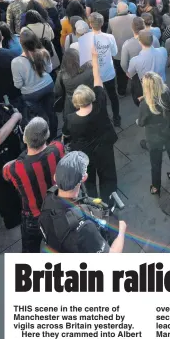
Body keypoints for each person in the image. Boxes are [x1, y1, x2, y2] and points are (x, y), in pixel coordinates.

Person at [38, 150, 126, 253]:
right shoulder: (85, 227)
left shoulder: (49, 197)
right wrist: (122, 230)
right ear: (84, 177)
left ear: (55, 177)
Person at [62, 46, 118, 203]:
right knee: (108, 177)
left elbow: (66, 135)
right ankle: (109, 202)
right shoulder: (99, 102)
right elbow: (97, 77)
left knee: (90, 181)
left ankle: (94, 205)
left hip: (86, 154)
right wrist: (94, 58)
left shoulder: (71, 119)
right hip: (104, 148)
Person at [2, 117, 65, 252]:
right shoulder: (57, 149)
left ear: (25, 139)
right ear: (47, 135)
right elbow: (55, 145)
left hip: (33, 217)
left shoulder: (15, 168)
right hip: (57, 209)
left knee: (30, 251)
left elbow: (5, 172)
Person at [137, 71, 170, 196]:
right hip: (169, 129)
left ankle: (156, 186)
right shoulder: (166, 92)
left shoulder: (145, 105)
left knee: (155, 162)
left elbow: (141, 122)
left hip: (154, 136)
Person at [11, 28, 57, 137]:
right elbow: (50, 70)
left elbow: (18, 85)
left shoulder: (16, 62)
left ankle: (44, 136)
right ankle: (54, 136)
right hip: (48, 86)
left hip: (30, 94)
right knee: (51, 112)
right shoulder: (44, 52)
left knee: (40, 116)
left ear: (21, 43)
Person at [88, 12, 121, 126]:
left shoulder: (85, 39)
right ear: (102, 24)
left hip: (94, 74)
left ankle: (103, 120)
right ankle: (116, 118)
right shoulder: (109, 37)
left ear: (90, 24)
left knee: (97, 99)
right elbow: (115, 52)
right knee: (113, 96)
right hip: (108, 71)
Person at [54, 48, 94, 121]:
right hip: (89, 100)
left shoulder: (62, 75)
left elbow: (58, 91)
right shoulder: (90, 68)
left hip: (72, 106)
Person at [107, 1, 135, 96]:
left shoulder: (112, 21)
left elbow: (108, 35)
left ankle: (121, 90)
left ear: (117, 11)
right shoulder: (134, 17)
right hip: (133, 49)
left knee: (120, 73)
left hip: (118, 51)